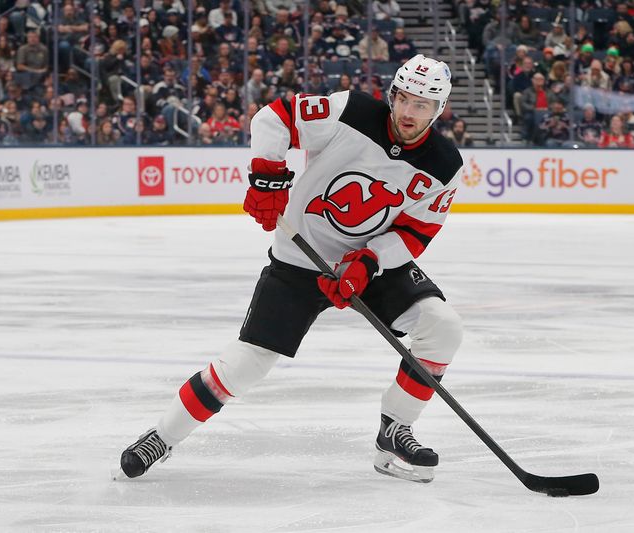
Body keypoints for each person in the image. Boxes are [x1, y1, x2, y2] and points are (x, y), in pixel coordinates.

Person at [119, 54, 464, 484]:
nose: (409, 112)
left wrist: (370, 262)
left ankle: (394, 431)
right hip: (300, 259)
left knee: (442, 327)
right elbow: (273, 118)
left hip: (369, 264)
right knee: (248, 363)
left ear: (438, 109)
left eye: (422, 105)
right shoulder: (349, 111)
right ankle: (162, 437)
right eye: (404, 99)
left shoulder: (445, 165)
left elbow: (416, 231)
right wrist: (268, 177)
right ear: (392, 94)